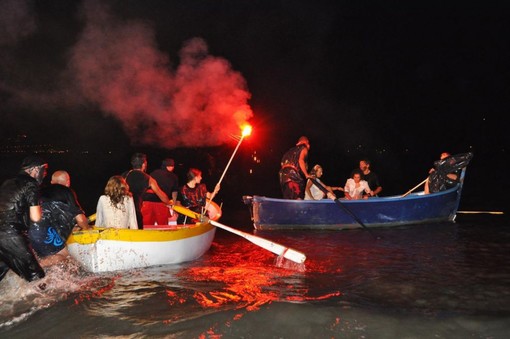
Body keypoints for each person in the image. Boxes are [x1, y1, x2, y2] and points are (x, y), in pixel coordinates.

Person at [0, 155, 48, 283]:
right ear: (35, 169)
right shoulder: (31, 184)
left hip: (4, 233)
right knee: (37, 277)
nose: (45, 174)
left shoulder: (7, 182)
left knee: (3, 267)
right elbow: (36, 217)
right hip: (9, 234)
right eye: (44, 170)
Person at [28, 170, 91, 265]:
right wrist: (87, 228)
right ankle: (34, 270)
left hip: (29, 228)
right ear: (68, 182)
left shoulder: (39, 191)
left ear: (52, 182)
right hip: (42, 228)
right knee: (63, 255)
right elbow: (80, 219)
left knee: (54, 257)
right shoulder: (66, 191)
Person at [123, 153, 171, 229]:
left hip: (123, 212)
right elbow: (162, 196)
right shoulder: (149, 179)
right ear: (144, 164)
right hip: (135, 213)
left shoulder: (124, 175)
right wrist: (169, 202)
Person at [142, 158, 179, 226]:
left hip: (146, 201)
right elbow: (174, 192)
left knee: (146, 226)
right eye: (173, 166)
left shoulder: (153, 173)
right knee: (162, 226)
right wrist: (173, 204)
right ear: (169, 166)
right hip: (161, 202)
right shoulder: (173, 176)